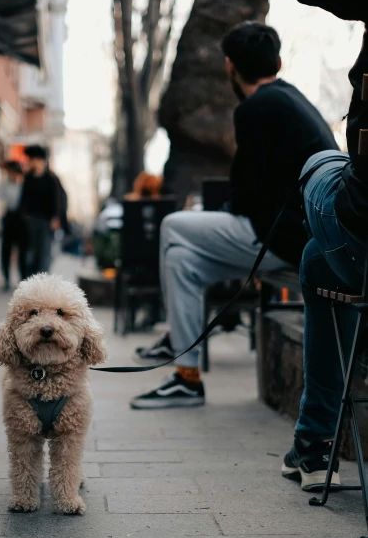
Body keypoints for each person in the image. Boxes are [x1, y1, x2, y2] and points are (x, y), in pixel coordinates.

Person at [131, 21, 337, 409]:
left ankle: (177, 343)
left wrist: (215, 214)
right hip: (307, 236)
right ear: (277, 61)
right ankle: (186, 376)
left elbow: (247, 193)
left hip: (285, 238)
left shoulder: (256, 108)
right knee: (182, 260)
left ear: (230, 67)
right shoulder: (290, 98)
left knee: (173, 225)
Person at [276, 0, 368, 490]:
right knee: (314, 263)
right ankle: (312, 442)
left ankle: (315, 444)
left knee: (319, 164)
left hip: (362, 237)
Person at [20, 144, 61, 277]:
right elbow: (24, 198)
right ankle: (29, 279)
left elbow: (57, 200)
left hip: (45, 220)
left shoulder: (51, 179)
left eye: (34, 160)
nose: (32, 163)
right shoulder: (28, 178)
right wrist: (24, 215)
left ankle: (42, 279)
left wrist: (55, 217)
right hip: (30, 219)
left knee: (44, 251)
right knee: (30, 252)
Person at [0, 160, 25, 291]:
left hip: (21, 218)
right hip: (8, 217)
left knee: (22, 250)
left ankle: (23, 279)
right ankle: (6, 278)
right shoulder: (3, 185)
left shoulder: (23, 185)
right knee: (6, 250)